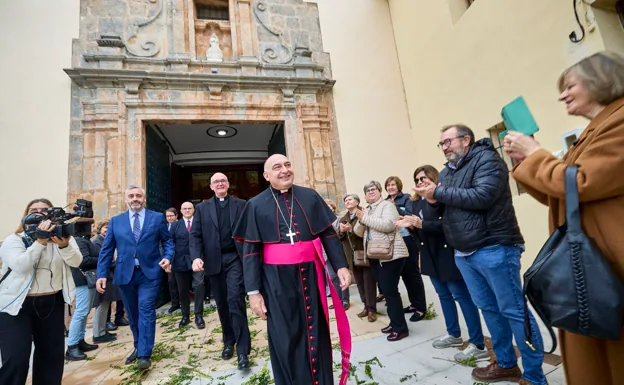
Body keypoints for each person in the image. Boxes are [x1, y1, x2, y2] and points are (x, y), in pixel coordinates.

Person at [504, 51, 624, 385]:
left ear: (601, 80)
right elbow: (559, 192)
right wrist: (526, 159)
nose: (561, 95)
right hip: (589, 268)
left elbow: (581, 183)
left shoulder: (620, 122)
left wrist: (535, 154)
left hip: (611, 267)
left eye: (570, 85)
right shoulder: (594, 131)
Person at [415, 124, 546, 385]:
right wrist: (430, 198)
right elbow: (447, 203)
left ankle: (534, 376)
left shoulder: (487, 159)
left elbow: (482, 196)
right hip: (463, 253)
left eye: (448, 141)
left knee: (514, 311)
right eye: (441, 144)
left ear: (466, 139)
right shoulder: (446, 171)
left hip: (494, 246)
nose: (444, 147)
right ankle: (506, 363)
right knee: (488, 309)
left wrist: (437, 192)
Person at [233, 154, 352, 385]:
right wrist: (253, 292)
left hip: (311, 272)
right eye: (277, 167)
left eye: (287, 165)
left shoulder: (310, 196)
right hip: (275, 279)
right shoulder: (255, 205)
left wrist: (341, 266)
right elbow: (250, 252)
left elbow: (327, 233)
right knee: (286, 335)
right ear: (267, 176)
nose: (284, 170)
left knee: (316, 329)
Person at [396, 165, 487, 362]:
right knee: (443, 296)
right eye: (417, 179)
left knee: (462, 297)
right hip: (429, 255)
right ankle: (453, 334)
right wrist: (411, 227)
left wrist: (422, 224)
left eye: (424, 178)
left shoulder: (445, 199)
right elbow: (421, 231)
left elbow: (450, 226)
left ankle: (478, 343)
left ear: (434, 178)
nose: (420, 182)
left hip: (448, 255)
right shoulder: (416, 203)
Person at [0, 198, 83, 385]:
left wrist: (63, 245)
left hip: (51, 303)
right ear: (25, 214)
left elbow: (76, 261)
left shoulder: (61, 238)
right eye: (34, 209)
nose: (39, 212)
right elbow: (21, 266)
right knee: (16, 358)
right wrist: (39, 242)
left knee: (51, 358)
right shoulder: (13, 240)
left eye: (44, 210)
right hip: (16, 306)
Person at [96, 185, 174, 371]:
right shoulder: (116, 221)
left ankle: (144, 354)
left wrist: (167, 257)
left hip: (149, 273)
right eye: (131, 196)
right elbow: (106, 250)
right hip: (125, 274)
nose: (135, 198)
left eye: (139, 195)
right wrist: (102, 274)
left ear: (144, 199)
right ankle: (139, 346)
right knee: (132, 313)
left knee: (146, 309)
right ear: (126, 200)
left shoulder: (156, 218)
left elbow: (168, 241)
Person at [190, 173, 251, 370]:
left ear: (228, 184)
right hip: (214, 262)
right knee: (222, 304)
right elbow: (196, 235)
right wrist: (196, 257)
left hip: (235, 259)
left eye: (223, 180)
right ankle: (228, 341)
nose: (220, 184)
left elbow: (250, 231)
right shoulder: (202, 208)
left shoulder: (241, 204)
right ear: (211, 187)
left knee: (235, 300)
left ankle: (243, 350)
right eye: (216, 182)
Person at [354, 181, 410, 342]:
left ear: (379, 192)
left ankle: (401, 329)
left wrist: (364, 217)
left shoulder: (387, 206)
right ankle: (394, 323)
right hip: (375, 255)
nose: (370, 192)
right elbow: (358, 232)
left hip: (391, 255)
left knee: (391, 292)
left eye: (373, 189)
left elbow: (388, 226)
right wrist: (361, 218)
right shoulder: (368, 209)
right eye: (367, 190)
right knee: (386, 291)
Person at [384, 176, 427, 321]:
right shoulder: (385, 201)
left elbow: (409, 215)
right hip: (395, 241)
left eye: (393, 185)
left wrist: (393, 207)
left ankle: (421, 308)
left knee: (413, 274)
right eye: (388, 185)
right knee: (404, 274)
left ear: (398, 186)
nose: (390, 187)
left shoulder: (406, 198)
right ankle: (413, 304)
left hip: (408, 239)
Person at [337, 194, 377, 322]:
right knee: (359, 282)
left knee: (369, 282)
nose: (347, 201)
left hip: (364, 253)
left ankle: (372, 310)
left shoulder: (364, 213)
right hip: (352, 256)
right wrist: (342, 231)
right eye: (345, 200)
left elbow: (367, 231)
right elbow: (339, 237)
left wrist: (351, 230)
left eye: (350, 199)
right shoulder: (344, 218)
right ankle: (366, 306)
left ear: (357, 201)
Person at [171, 202, 206, 329]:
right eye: (184, 208)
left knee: (199, 286)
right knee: (183, 290)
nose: (187, 210)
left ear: (194, 210)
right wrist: (168, 260)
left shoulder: (200, 223)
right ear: (180, 210)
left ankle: (199, 315)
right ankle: (185, 315)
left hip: (197, 261)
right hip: (180, 263)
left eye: (189, 208)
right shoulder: (175, 225)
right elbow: (169, 243)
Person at [66, 233, 100, 360]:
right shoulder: (78, 240)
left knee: (84, 311)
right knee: (80, 312)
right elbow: (84, 260)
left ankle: (80, 340)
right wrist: (103, 258)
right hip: (82, 279)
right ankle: (72, 346)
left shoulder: (80, 239)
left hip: (85, 280)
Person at [92, 219, 123, 342]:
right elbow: (102, 259)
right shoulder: (97, 242)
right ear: (100, 229)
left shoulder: (108, 240)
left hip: (110, 276)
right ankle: (98, 334)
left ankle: (102, 331)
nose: (107, 230)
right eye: (105, 227)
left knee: (105, 304)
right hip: (104, 276)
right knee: (101, 305)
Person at [324, 198, 350, 310]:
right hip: (326, 253)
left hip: (338, 252)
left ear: (333, 209)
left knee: (342, 277)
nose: (328, 210)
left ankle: (345, 300)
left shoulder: (338, 219)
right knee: (333, 277)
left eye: (330, 207)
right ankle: (337, 300)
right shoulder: (320, 220)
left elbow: (340, 232)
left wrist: (342, 229)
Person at [165, 207, 181, 314]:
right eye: (167, 216)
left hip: (182, 257)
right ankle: (175, 303)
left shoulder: (182, 224)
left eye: (171, 216)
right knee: (172, 282)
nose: (169, 218)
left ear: (176, 216)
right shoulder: (164, 227)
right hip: (170, 260)